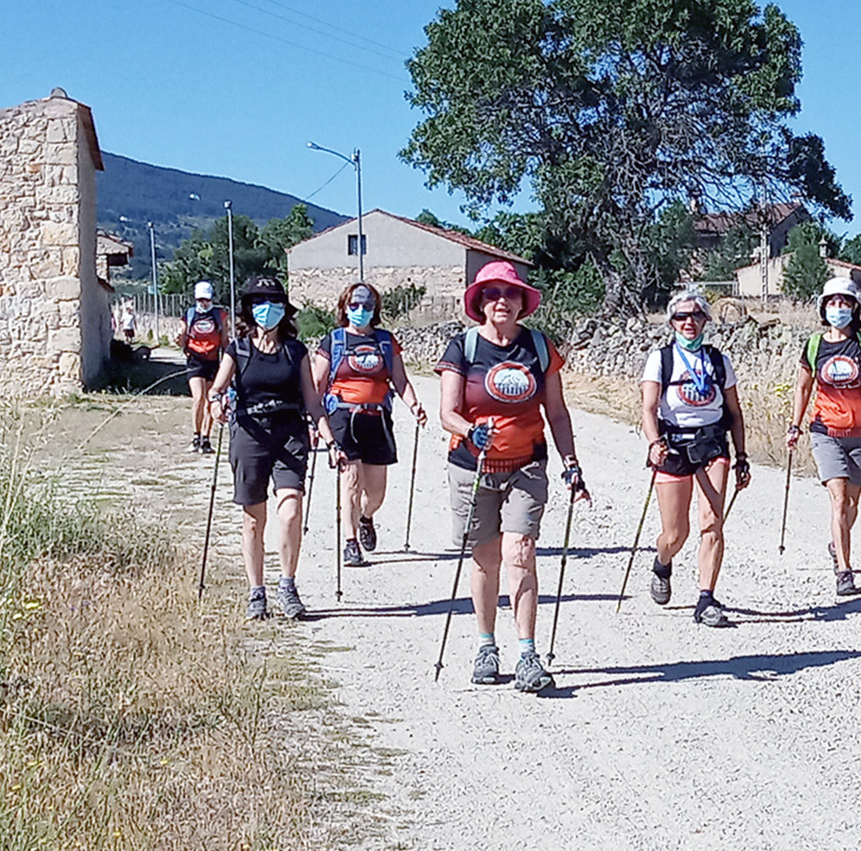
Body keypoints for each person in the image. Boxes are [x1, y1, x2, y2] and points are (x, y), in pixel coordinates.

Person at [436, 261, 589, 694]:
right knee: (485, 559)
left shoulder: (538, 347)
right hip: (473, 466)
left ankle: (527, 654)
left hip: (526, 464)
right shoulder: (462, 348)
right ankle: (487, 646)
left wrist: (571, 464)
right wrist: (470, 430)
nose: (501, 300)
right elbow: (448, 413)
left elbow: (556, 413)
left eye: (510, 293)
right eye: (492, 293)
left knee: (520, 551)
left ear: (523, 302)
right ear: (480, 303)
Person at [208, 274, 329, 622]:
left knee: (291, 512)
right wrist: (216, 404)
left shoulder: (296, 351)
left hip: (289, 435)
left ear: (284, 309)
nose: (268, 310)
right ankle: (256, 591)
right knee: (253, 520)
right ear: (249, 309)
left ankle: (288, 585)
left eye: (274, 303)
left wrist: (330, 438)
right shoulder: (239, 349)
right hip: (249, 434)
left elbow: (312, 400)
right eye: (260, 303)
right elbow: (217, 390)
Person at [640, 290, 751, 626]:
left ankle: (706, 599)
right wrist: (653, 442)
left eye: (696, 315)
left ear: (706, 320)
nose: (689, 322)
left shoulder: (719, 361)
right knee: (675, 534)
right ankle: (663, 562)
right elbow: (648, 407)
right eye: (681, 317)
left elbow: (735, 412)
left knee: (712, 522)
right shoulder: (661, 359)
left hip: (712, 445)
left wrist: (742, 455)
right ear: (671, 322)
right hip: (673, 446)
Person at [787, 277, 861, 597]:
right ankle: (844, 571)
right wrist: (795, 425)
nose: (839, 308)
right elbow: (802, 388)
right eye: (833, 302)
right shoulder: (814, 345)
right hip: (826, 431)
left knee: (852, 503)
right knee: (838, 500)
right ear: (823, 308)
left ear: (854, 307)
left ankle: (836, 543)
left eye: (845, 302)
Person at [310, 282, 428, 569]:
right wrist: (313, 422)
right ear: (344, 308)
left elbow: (399, 380)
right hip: (343, 418)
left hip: (376, 419)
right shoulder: (334, 341)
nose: (360, 311)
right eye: (354, 306)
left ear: (374, 310)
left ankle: (366, 517)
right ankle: (350, 543)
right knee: (350, 479)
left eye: (366, 306)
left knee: (376, 492)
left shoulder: (386, 341)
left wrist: (414, 405)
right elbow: (317, 383)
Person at [178, 281, 229, 453]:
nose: (203, 303)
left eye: (206, 299)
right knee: (198, 398)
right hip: (195, 359)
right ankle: (196, 435)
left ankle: (206, 439)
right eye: (200, 299)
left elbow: (224, 338)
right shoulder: (190, 315)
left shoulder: (219, 315)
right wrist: (180, 341)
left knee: (210, 400)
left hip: (213, 360)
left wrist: (229, 357)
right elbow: (183, 336)